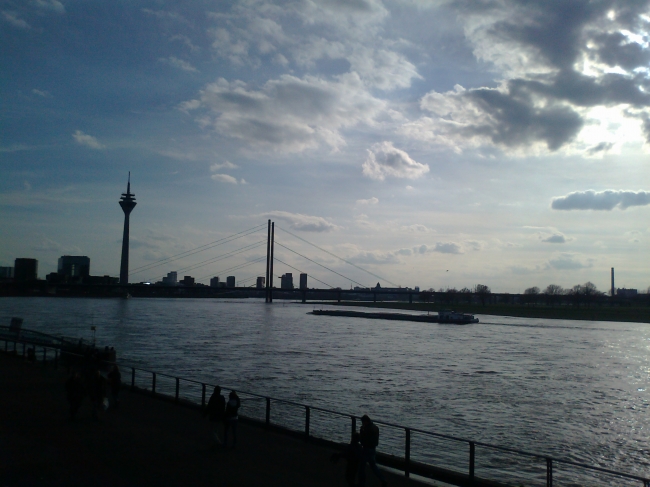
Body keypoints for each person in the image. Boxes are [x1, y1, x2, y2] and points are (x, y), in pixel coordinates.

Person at [358, 414, 387, 487]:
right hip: (372, 448)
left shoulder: (366, 429)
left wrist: (361, 431)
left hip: (366, 448)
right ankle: (383, 479)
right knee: (373, 466)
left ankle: (362, 483)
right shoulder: (375, 428)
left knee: (362, 467)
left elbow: (363, 439)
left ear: (365, 421)